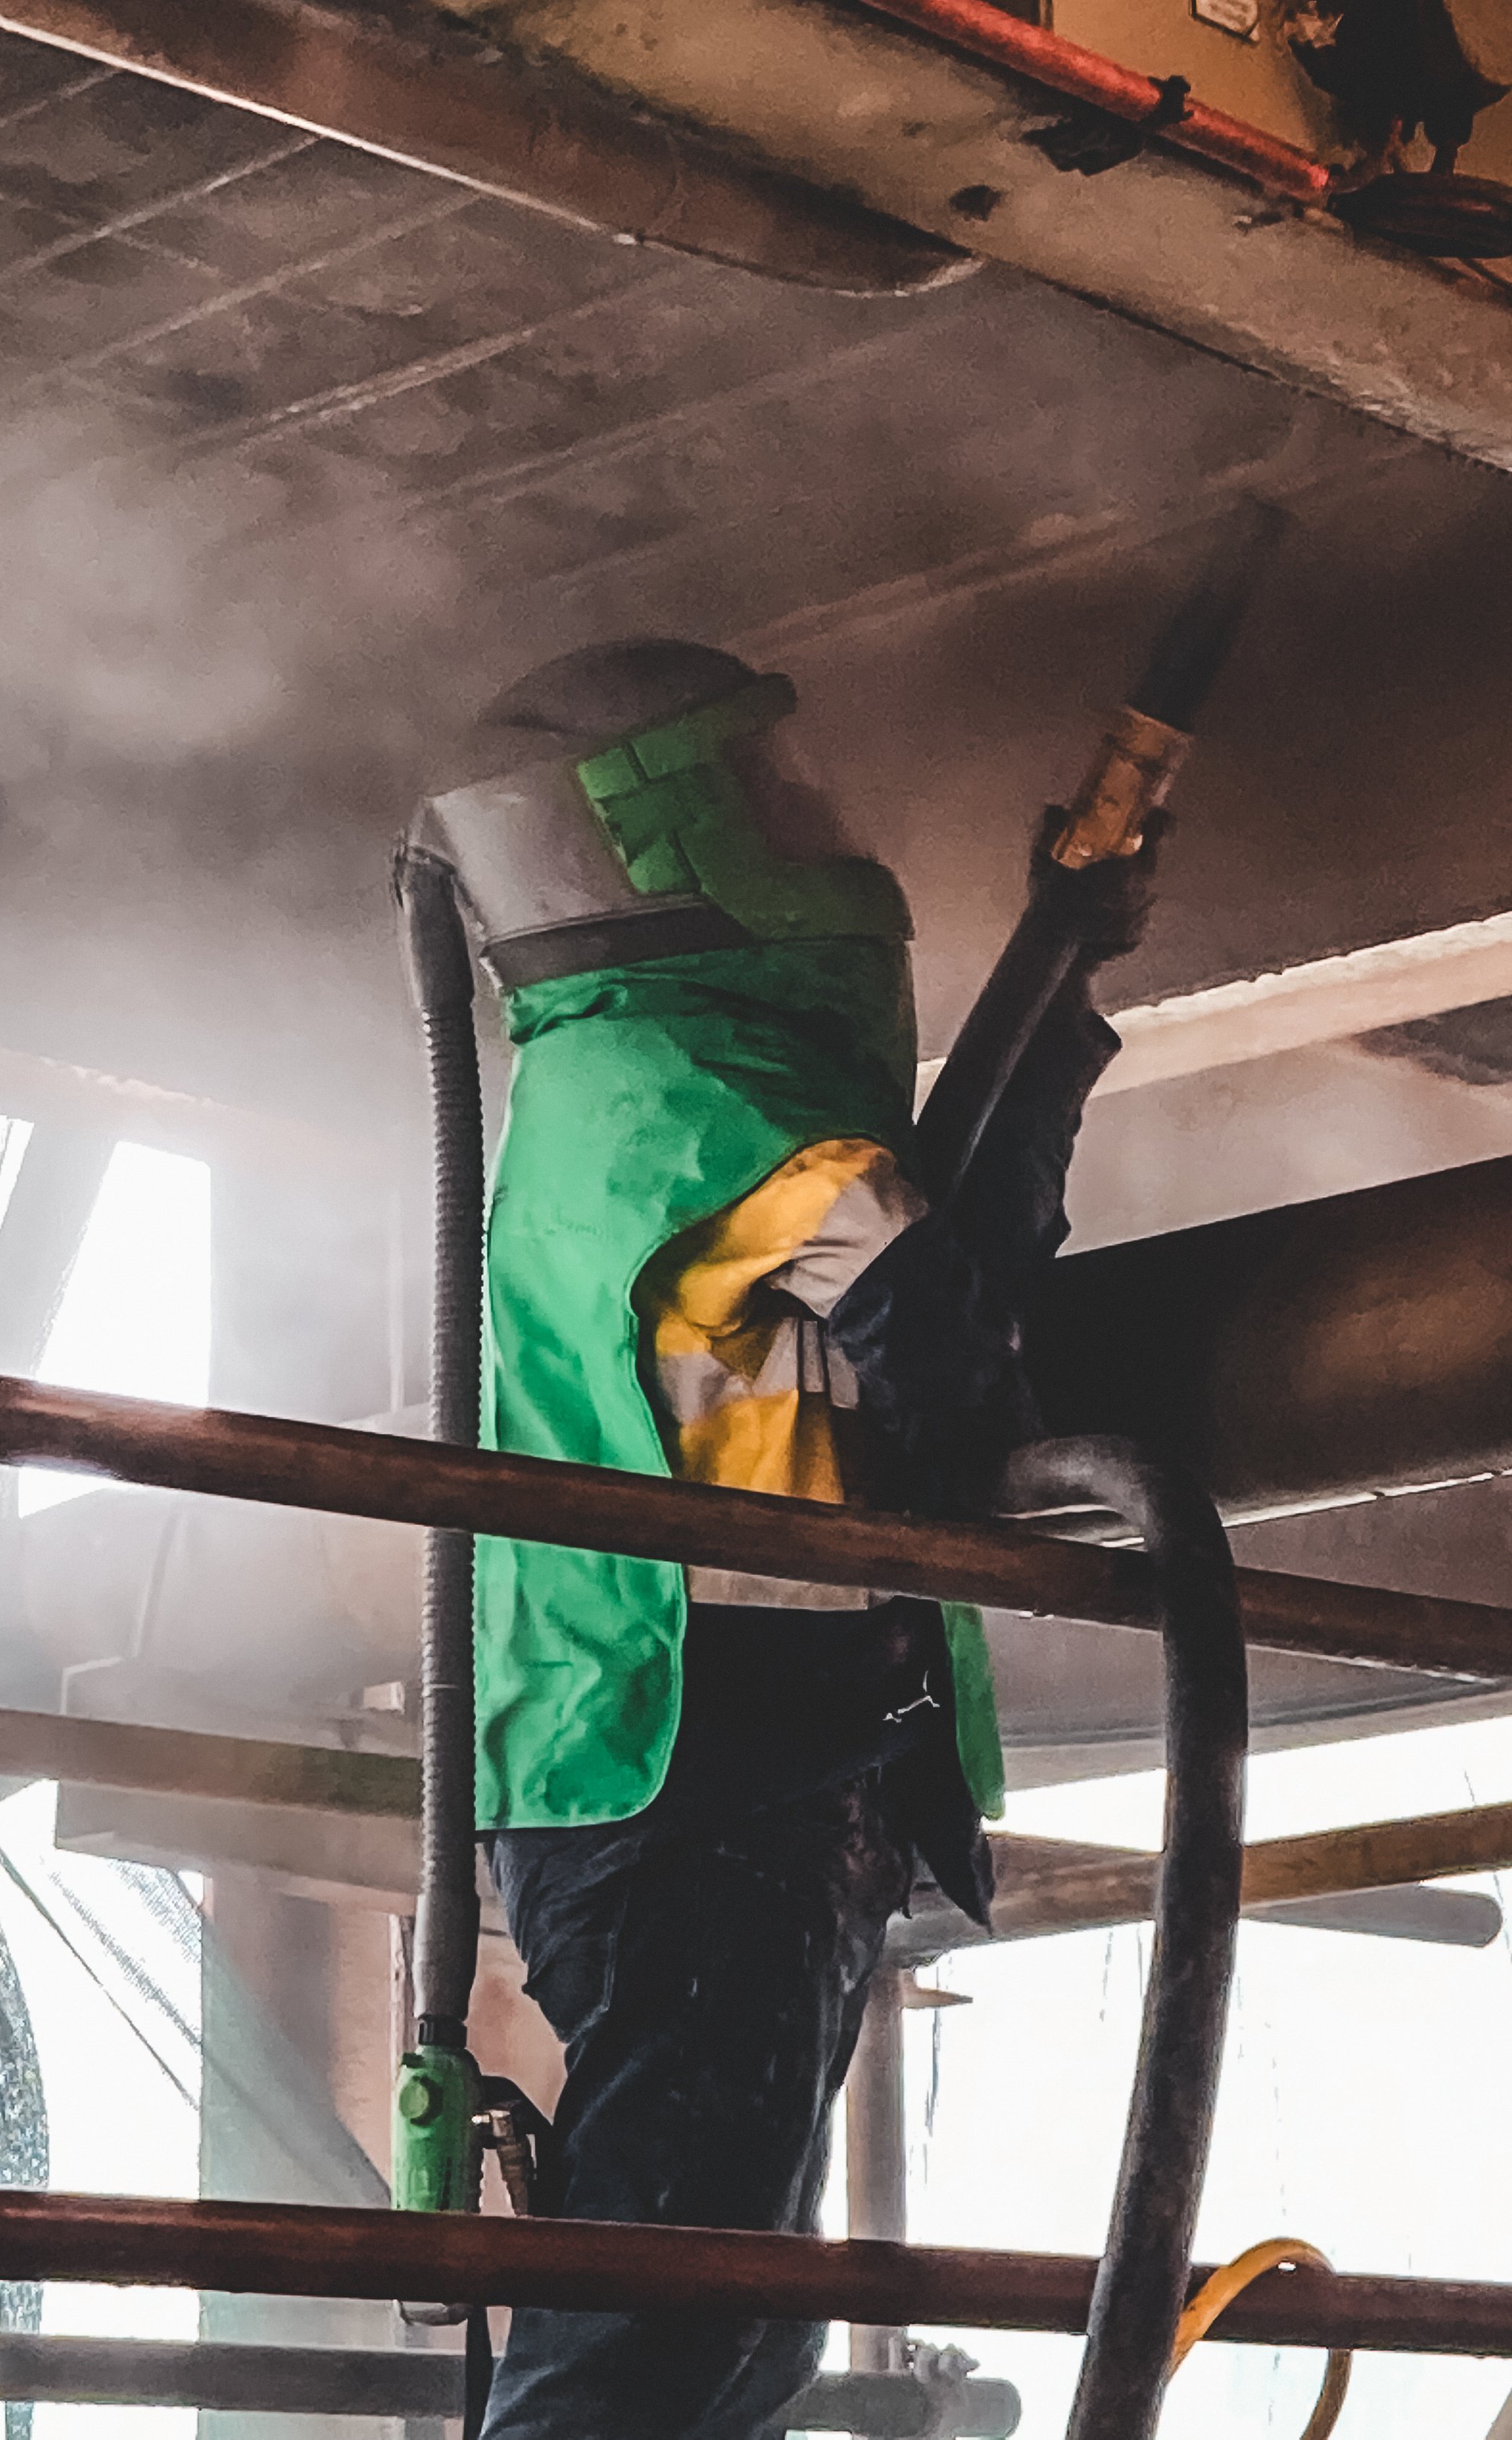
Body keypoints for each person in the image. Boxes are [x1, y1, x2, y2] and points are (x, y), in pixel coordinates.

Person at [404, 638, 1161, 2440]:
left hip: (738, 1752)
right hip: (696, 1768)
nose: (819, 822)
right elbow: (949, 1332)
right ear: (659, 840)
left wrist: (1060, 985)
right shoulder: (674, 1094)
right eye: (776, 792)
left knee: (735, 2321)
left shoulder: (680, 1089)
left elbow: (948, 1251)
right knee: (677, 2313)